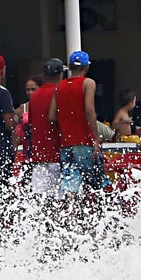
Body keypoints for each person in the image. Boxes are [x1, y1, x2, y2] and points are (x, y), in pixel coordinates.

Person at [49, 50, 106, 194]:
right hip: (85, 142)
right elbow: (89, 110)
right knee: (97, 184)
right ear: (87, 67)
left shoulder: (59, 87)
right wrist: (96, 137)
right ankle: (99, 214)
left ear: (69, 66)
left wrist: (66, 121)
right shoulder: (88, 83)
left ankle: (71, 215)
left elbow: (51, 116)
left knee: (70, 186)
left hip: (66, 144)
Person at [27, 59, 64, 195]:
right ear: (60, 75)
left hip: (39, 157)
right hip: (58, 156)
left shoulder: (34, 96)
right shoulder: (60, 93)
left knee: (41, 204)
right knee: (60, 203)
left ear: (44, 75)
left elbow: (31, 122)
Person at [14, 76, 42, 152]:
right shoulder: (23, 107)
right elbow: (16, 131)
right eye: (27, 90)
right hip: (27, 148)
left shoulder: (46, 106)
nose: (30, 92)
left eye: (33, 89)